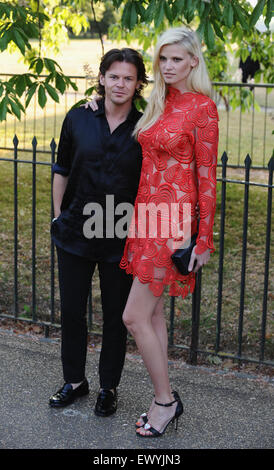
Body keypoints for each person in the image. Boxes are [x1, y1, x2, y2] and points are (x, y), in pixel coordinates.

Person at [119, 27, 219, 437]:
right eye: (163, 59)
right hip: (146, 217)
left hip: (174, 224)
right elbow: (118, 103)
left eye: (177, 58)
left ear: (194, 61)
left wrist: (203, 239)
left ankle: (165, 401)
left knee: (133, 316)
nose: (168, 66)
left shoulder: (202, 108)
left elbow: (208, 176)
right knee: (153, 313)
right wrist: (95, 101)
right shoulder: (158, 103)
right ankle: (165, 396)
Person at [49, 48, 148, 417]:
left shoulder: (145, 126)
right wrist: (59, 216)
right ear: (102, 78)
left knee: (114, 316)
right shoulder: (78, 118)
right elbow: (61, 169)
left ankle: (109, 386)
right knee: (72, 311)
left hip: (120, 237)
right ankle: (74, 380)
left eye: (128, 77)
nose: (120, 84)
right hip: (74, 232)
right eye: (114, 76)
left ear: (138, 84)